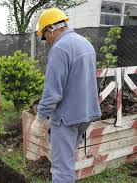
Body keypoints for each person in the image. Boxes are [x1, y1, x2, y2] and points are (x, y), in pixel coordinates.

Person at [30, 7, 102, 183]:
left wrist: (40, 119)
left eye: (45, 36)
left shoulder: (60, 48)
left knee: (61, 170)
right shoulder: (86, 44)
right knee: (68, 160)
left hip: (66, 118)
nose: (46, 41)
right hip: (85, 114)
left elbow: (53, 92)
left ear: (51, 29)